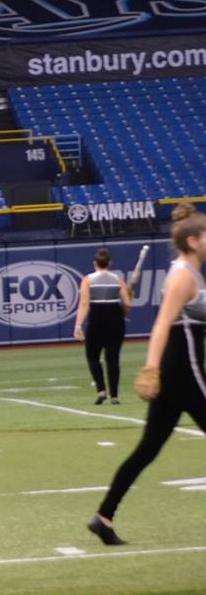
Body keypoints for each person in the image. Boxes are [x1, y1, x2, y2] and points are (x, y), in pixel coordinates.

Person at [87, 213, 206, 545]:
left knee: (147, 450)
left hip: (177, 373)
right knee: (147, 449)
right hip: (185, 372)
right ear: (192, 241)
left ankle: (103, 517)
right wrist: (151, 368)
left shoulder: (191, 273)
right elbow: (162, 324)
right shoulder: (183, 276)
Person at [75, 248, 134, 404]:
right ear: (110, 263)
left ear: (95, 263)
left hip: (96, 319)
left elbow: (84, 304)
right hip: (115, 319)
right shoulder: (118, 279)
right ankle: (114, 395)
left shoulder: (87, 280)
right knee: (112, 358)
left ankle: (101, 390)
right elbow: (127, 304)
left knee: (92, 357)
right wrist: (124, 312)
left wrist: (78, 325)